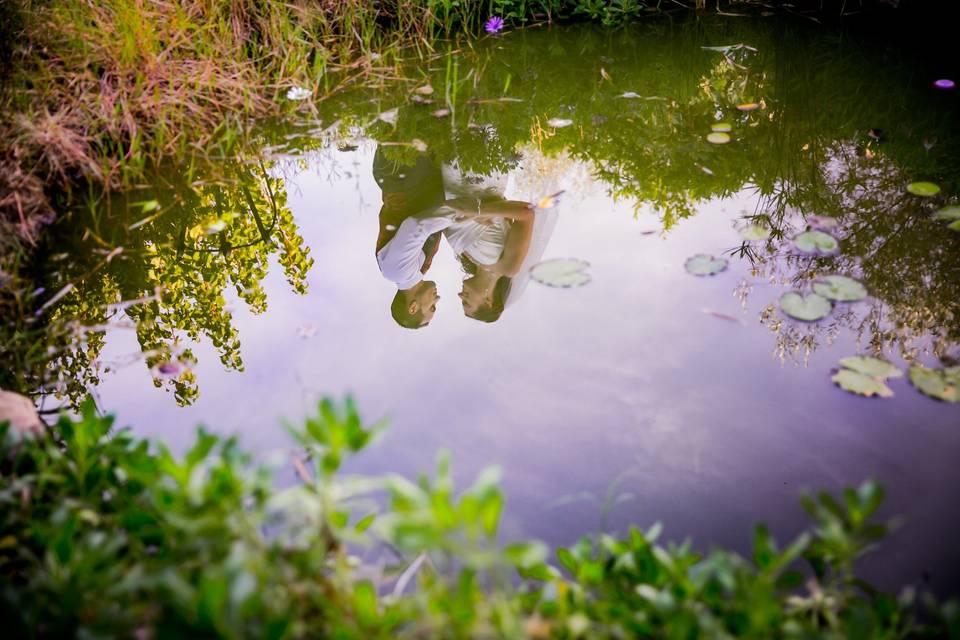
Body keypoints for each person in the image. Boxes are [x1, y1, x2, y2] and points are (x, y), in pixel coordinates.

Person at [372, 148, 453, 328]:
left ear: (413, 307)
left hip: (404, 171)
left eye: (432, 307)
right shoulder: (418, 270)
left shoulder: (396, 272)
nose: (437, 299)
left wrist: (462, 213)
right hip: (420, 175)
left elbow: (416, 227)